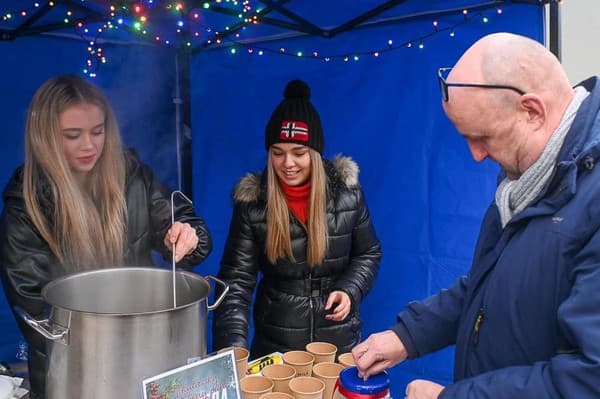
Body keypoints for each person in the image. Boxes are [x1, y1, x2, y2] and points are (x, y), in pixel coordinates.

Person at [352, 32, 600, 399]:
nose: (476, 155)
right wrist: (407, 335)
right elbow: (487, 285)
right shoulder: (526, 178)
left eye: (483, 137)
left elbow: (589, 378)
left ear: (532, 111)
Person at [0, 75, 212, 398]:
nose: (89, 146)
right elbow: (33, 309)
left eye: (97, 132)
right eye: (73, 135)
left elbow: (183, 223)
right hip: (74, 377)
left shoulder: (131, 175)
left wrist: (187, 234)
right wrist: (116, 340)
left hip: (151, 365)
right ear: (46, 138)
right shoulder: (28, 204)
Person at [212, 79, 382, 358]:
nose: (287, 163)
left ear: (315, 153)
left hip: (337, 343)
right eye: (277, 153)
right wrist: (233, 348)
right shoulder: (253, 204)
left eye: (299, 153)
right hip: (275, 347)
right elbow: (236, 282)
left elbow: (369, 253)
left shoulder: (348, 196)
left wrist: (349, 290)